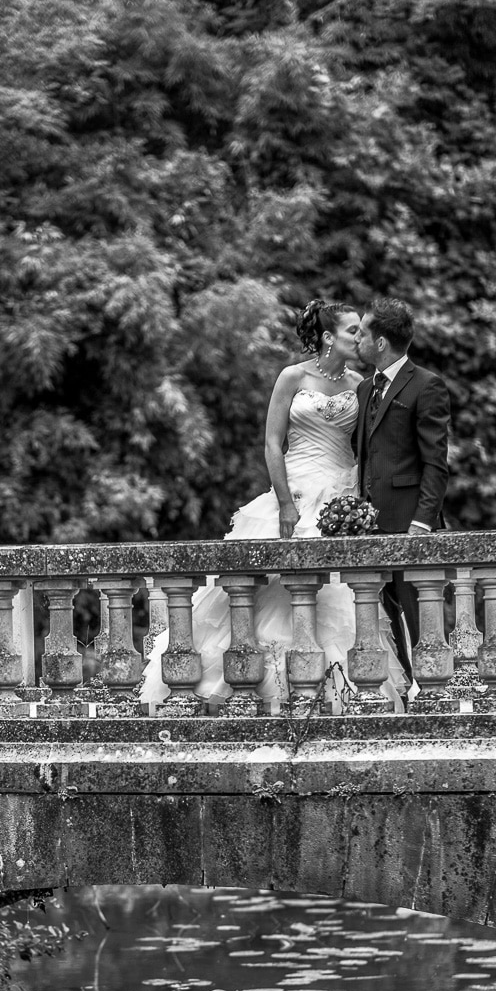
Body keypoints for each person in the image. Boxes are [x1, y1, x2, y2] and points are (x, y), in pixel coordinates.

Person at [139, 299, 405, 710]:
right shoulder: (292, 377)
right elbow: (271, 444)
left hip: (342, 494)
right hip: (294, 490)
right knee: (267, 591)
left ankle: (334, 691)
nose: (362, 337)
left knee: (337, 595)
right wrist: (284, 503)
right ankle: (258, 687)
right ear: (329, 337)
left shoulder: (361, 385)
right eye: (354, 330)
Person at [353, 298, 451, 679]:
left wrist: (422, 524)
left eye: (362, 332)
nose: (356, 339)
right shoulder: (364, 390)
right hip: (368, 533)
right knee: (383, 627)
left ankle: (430, 693)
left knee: (420, 626)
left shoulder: (427, 386)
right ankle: (403, 692)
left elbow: (435, 463)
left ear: (380, 342)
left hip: (410, 527)